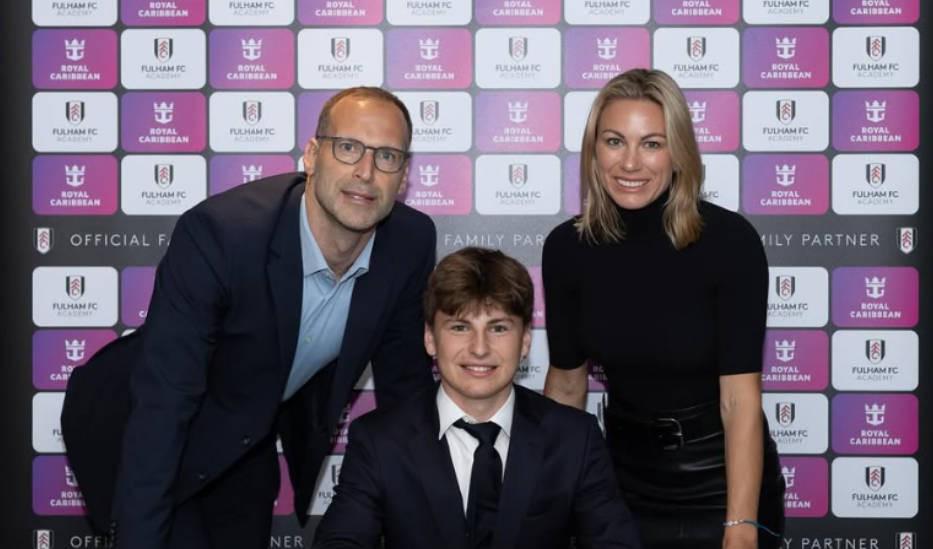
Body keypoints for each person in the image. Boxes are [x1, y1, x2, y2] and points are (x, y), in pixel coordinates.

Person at [62, 87, 436, 549]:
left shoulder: (408, 243)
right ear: (312, 155)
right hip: (138, 424)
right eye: (347, 148)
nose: (366, 171)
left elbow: (405, 390)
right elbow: (164, 403)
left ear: (403, 176)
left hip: (246, 433)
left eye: (387, 156)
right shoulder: (223, 235)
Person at [541, 69, 784, 549]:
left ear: (679, 153)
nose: (630, 162)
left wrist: (740, 526)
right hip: (618, 480)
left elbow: (739, 401)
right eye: (614, 141)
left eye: (651, 144)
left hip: (720, 480)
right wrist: (545, 498)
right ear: (594, 150)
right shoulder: (568, 248)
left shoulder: (729, 243)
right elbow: (566, 387)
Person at [312, 247, 642, 549]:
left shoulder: (575, 438)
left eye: (498, 328)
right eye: (460, 327)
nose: (480, 348)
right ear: (430, 339)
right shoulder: (379, 440)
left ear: (526, 341)